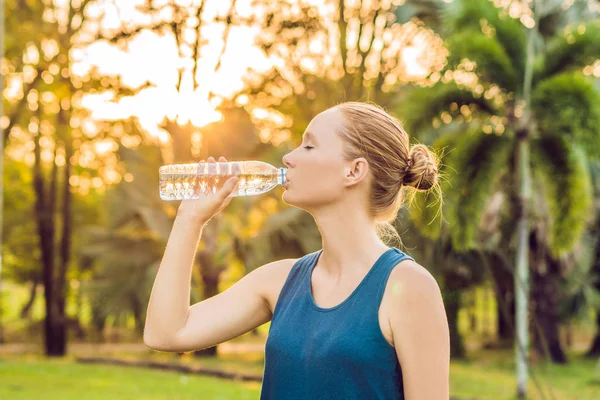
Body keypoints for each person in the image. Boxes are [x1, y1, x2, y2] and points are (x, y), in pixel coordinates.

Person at [144, 101, 450, 399]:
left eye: (309, 146)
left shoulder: (409, 287)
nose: (289, 157)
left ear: (353, 171)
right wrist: (189, 219)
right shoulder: (278, 282)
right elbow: (166, 333)